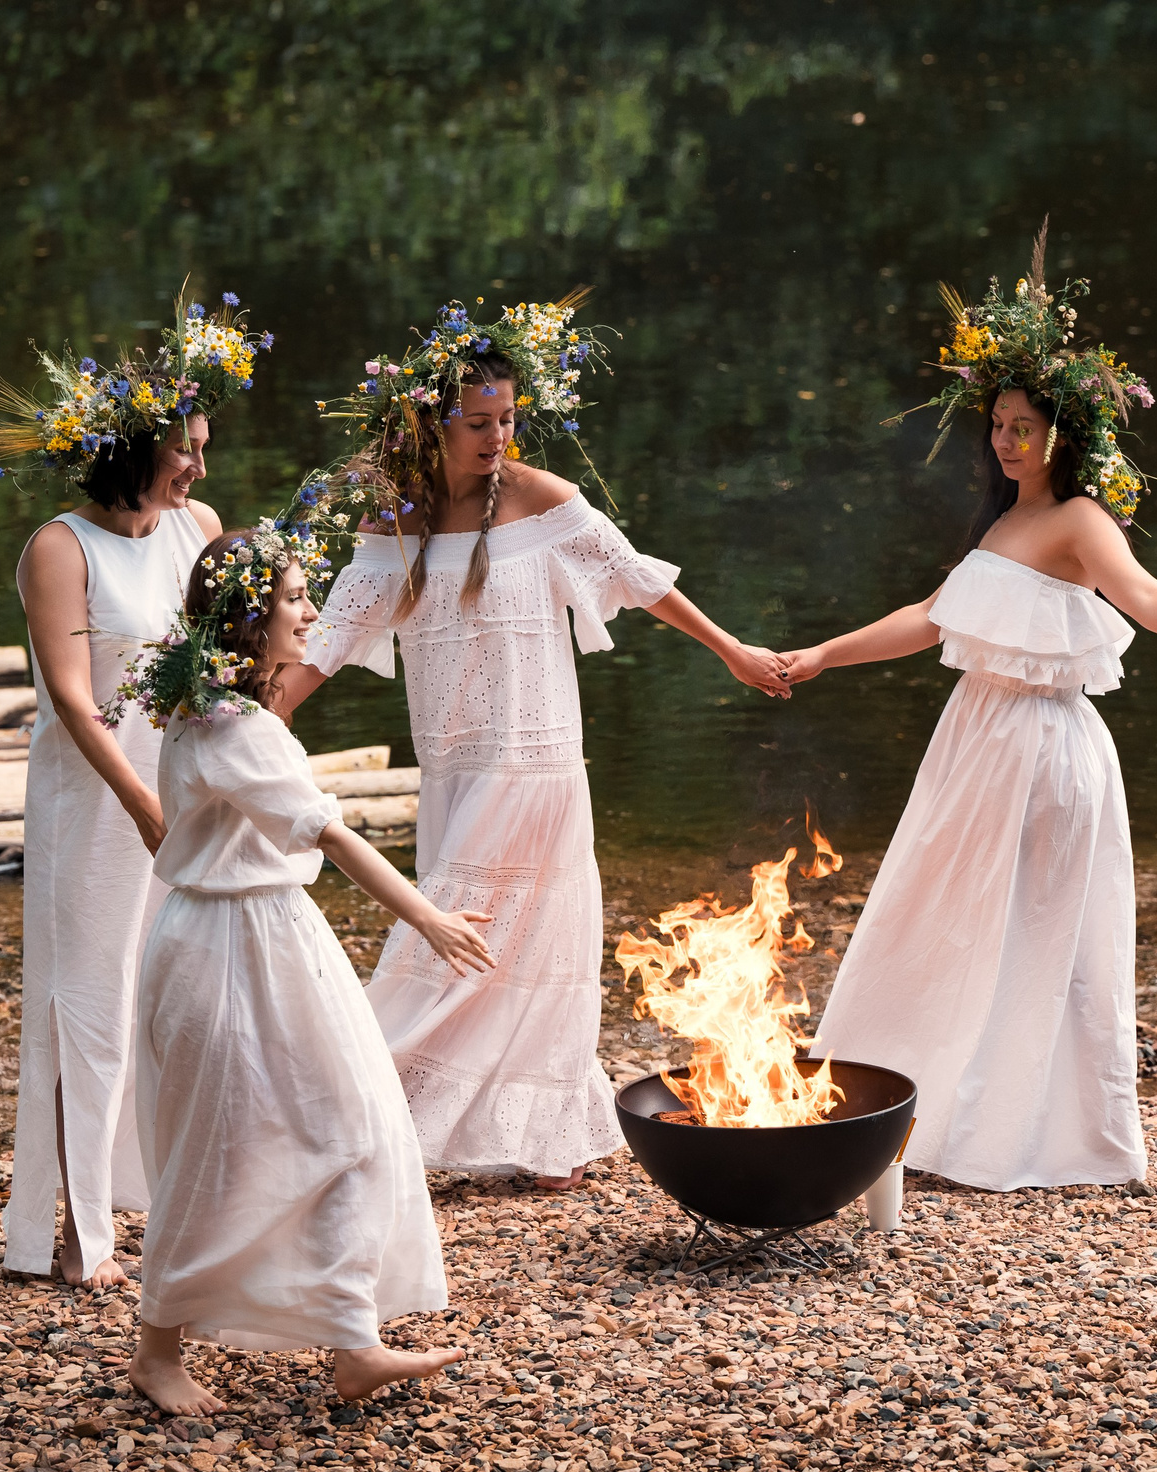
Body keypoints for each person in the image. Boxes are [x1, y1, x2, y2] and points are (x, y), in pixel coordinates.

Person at [784, 234, 1157, 1191]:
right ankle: (924, 1108)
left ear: (1064, 434)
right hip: (977, 736)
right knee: (950, 915)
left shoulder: (1079, 519)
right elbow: (930, 619)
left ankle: (1027, 1131)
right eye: (998, 425)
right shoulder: (1002, 522)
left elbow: (1142, 595)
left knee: (1035, 931)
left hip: (1044, 745)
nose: (1006, 441)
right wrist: (823, 655)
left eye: (1023, 427)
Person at [273, 296, 789, 1189]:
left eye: (508, 419)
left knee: (538, 943)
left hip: (539, 762)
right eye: (478, 423)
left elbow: (636, 579)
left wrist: (733, 650)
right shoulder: (391, 522)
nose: (497, 438)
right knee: (449, 942)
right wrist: (252, 713)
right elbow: (326, 640)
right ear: (429, 426)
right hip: (456, 769)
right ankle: (349, 1104)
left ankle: (536, 1133)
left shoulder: (543, 501)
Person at [117, 489, 480, 1414]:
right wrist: (427, 916)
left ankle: (353, 1339)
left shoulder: (213, 711)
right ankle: (158, 1348)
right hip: (229, 950)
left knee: (346, 1123)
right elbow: (333, 835)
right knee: (226, 1144)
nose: (309, 611)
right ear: (250, 619)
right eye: (292, 597)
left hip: (265, 936)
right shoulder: (234, 728)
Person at [0, 296, 265, 1287]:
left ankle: (163, 1197)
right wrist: (139, 806)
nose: (197, 467)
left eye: (202, 446)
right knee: (88, 1003)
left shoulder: (198, 528)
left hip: (178, 784)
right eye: (183, 448)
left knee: (176, 994)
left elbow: (226, 661)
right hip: (95, 804)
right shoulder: (58, 548)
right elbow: (70, 698)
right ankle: (74, 1233)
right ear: (130, 449)